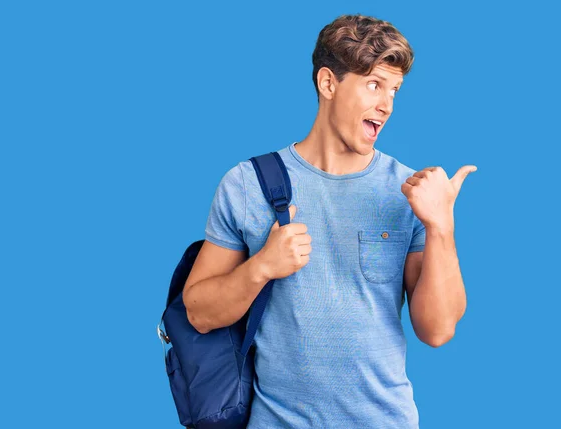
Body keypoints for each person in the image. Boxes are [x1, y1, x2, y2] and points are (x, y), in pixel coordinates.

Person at [182, 13, 475, 429]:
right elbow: (198, 313)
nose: (387, 104)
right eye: (374, 84)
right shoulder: (248, 184)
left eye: (394, 90)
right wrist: (262, 267)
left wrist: (441, 226)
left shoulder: (406, 190)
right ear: (328, 84)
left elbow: (438, 329)